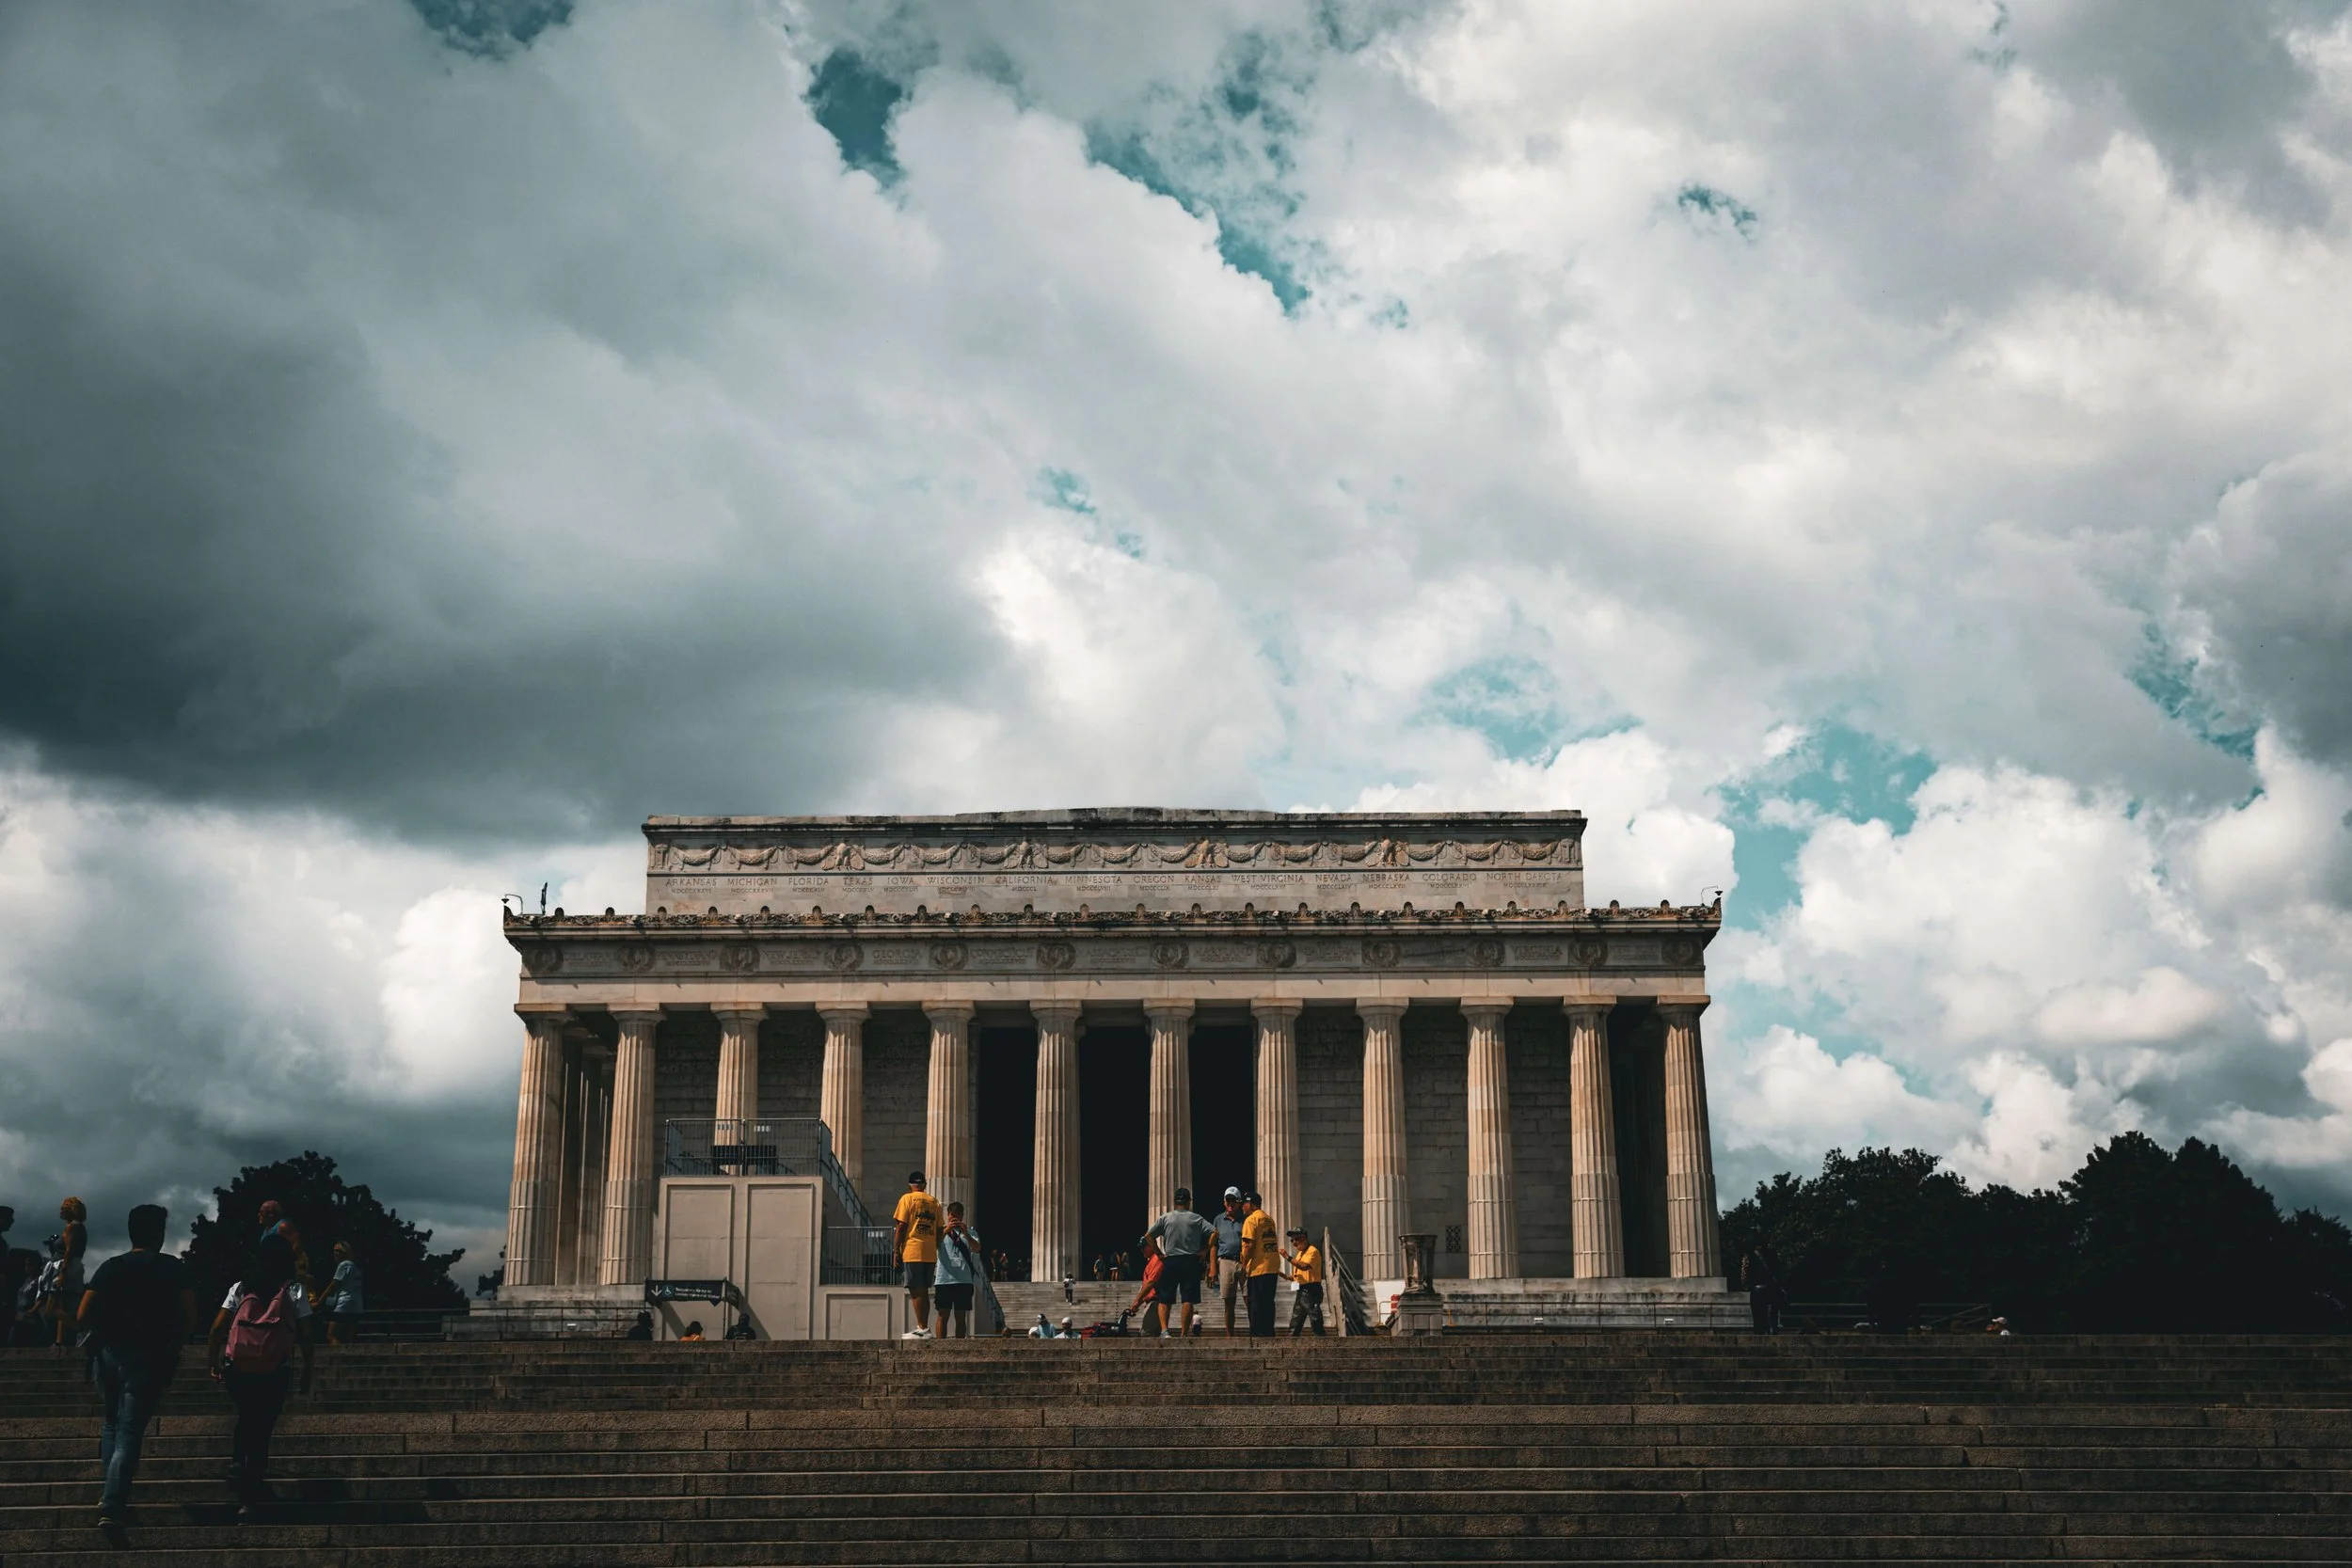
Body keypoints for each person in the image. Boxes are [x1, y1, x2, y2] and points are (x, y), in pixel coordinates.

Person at [78, 1204, 198, 1531]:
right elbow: (189, 1314)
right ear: (157, 1232)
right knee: (129, 1431)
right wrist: (176, 1341)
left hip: (108, 1354)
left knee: (112, 1424)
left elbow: (82, 1313)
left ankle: (109, 1495)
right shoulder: (172, 1268)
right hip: (147, 1355)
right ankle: (113, 1504)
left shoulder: (110, 1267)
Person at [207, 1235, 315, 1514]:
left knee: (246, 1415)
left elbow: (217, 1328)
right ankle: (250, 1495)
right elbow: (306, 1335)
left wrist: (214, 1361)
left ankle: (236, 1462)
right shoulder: (294, 1290)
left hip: (238, 1366)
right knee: (263, 1425)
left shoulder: (241, 1288)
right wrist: (307, 1372)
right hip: (275, 1367)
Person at [1144, 1187, 1214, 1338]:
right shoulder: (1196, 1218)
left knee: (1164, 1298)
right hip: (1190, 1261)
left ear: (1175, 1202)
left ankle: (1165, 1331)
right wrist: (1205, 1250)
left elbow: (1148, 1236)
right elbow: (1215, 1233)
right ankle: (1183, 1333)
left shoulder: (1166, 1218)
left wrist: (1158, 1253)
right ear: (1189, 1202)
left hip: (1170, 1260)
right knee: (1188, 1299)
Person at [892, 1170, 944, 1340]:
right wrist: (933, 1245)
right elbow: (939, 1229)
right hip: (929, 1252)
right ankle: (924, 1328)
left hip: (912, 1250)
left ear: (910, 1185)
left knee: (916, 1291)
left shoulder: (907, 1199)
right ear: (924, 1185)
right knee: (923, 1290)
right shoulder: (934, 1201)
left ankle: (922, 1328)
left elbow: (901, 1226)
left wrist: (896, 1251)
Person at [933, 1201, 984, 1338]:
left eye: (957, 1215)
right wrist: (946, 1230)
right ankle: (940, 1348)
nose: (954, 1219)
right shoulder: (941, 1231)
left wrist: (966, 1234)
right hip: (944, 1280)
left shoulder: (971, 1232)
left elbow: (977, 1248)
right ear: (947, 1215)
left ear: (962, 1216)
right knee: (942, 1315)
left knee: (961, 1317)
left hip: (964, 1280)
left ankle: (959, 1347)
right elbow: (933, 1244)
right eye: (952, 1215)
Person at [48, 1196, 88, 1350]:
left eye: (63, 1208)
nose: (60, 1211)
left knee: (51, 1307)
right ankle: (60, 1341)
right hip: (71, 1266)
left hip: (66, 1267)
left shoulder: (73, 1227)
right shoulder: (77, 1227)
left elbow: (69, 1250)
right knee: (62, 1305)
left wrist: (62, 1273)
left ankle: (80, 1329)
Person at [1239, 1192, 1281, 1337]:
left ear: (1250, 1204)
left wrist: (1244, 1265)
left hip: (1258, 1267)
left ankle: (1257, 1333)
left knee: (1255, 1302)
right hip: (1272, 1266)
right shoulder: (1269, 1219)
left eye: (1243, 1204)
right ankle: (1269, 1331)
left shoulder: (1251, 1220)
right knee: (1268, 1302)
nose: (1242, 1207)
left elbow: (1249, 1245)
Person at [1209, 1187, 1248, 1337]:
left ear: (1239, 1203)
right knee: (1229, 1302)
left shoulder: (1245, 1219)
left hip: (1243, 1261)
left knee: (1248, 1298)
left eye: (1233, 1200)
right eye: (1228, 1200)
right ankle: (1229, 1335)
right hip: (1225, 1262)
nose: (1230, 1203)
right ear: (1224, 1202)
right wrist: (1213, 1268)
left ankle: (1255, 1331)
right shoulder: (1218, 1220)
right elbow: (1213, 1245)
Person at [1282, 1226, 1325, 1336]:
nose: (1294, 1243)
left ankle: (1321, 1341)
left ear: (1305, 1238)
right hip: (1301, 1290)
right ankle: (1291, 1344)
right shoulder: (1300, 1253)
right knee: (1296, 1320)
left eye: (1297, 1239)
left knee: (1315, 1318)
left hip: (1311, 1290)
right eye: (1292, 1240)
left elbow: (1304, 1266)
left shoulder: (1313, 1251)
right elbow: (1299, 1275)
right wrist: (1285, 1276)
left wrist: (1288, 1257)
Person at [320, 1242, 364, 1345]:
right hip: (357, 1305)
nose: (336, 1253)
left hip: (344, 1304)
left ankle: (338, 1357)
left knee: (331, 1335)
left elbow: (334, 1284)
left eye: (338, 1251)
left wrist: (320, 1300)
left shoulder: (343, 1265)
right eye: (334, 1251)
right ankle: (350, 1359)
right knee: (349, 1338)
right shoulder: (355, 1267)